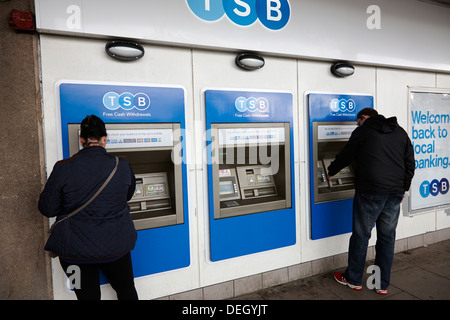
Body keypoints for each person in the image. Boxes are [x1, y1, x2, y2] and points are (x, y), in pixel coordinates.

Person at [39, 115, 138, 300]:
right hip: (117, 248)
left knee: (86, 298)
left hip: (73, 255)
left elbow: (47, 208)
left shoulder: (62, 167)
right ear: (105, 138)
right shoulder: (122, 165)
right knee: (127, 291)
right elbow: (127, 196)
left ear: (81, 139)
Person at [326, 108, 415, 294]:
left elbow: (347, 154)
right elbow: (410, 163)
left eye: (357, 121)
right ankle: (381, 284)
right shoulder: (400, 132)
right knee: (387, 238)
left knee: (361, 235)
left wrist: (331, 171)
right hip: (394, 193)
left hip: (370, 191)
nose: (357, 125)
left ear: (364, 118)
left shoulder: (364, 131)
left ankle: (353, 279)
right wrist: (403, 190)